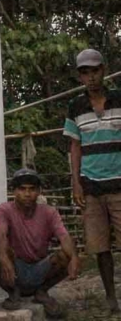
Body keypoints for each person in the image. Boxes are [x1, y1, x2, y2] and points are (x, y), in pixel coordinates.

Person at [63, 48, 121, 314]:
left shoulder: (119, 99)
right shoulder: (75, 106)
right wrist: (76, 183)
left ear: (103, 70)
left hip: (120, 184)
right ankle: (111, 298)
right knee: (100, 247)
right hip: (92, 186)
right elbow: (75, 147)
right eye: (85, 72)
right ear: (80, 76)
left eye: (95, 70)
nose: (91, 77)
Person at [0, 168, 79, 318]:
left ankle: (42, 291)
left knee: (66, 255)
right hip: (16, 268)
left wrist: (73, 258)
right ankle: (13, 292)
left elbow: (64, 236)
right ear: (14, 191)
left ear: (39, 191)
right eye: (22, 189)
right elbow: (0, 233)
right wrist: (3, 258)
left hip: (40, 268)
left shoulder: (49, 212)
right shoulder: (5, 209)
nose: (27, 194)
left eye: (32, 189)